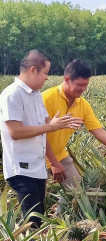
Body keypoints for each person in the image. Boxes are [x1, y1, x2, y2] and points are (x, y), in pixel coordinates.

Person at [0, 50, 81, 227]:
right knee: (33, 221)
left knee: (39, 218)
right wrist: (51, 126)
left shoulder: (36, 95)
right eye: (45, 72)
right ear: (33, 70)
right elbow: (15, 132)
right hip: (21, 169)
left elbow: (44, 129)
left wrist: (53, 161)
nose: (47, 78)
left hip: (37, 167)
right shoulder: (12, 94)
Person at [42, 59, 106, 191]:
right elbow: (40, 133)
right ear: (67, 79)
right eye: (80, 85)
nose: (83, 89)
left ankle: (61, 213)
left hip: (59, 155)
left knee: (78, 193)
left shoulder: (83, 105)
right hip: (37, 157)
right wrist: (53, 162)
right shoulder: (47, 98)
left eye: (86, 85)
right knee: (36, 200)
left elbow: (98, 131)